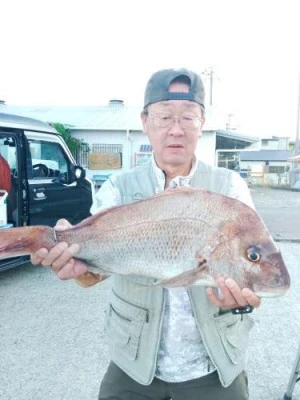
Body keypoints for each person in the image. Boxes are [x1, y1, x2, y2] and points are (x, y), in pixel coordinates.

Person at [31, 68, 261, 400]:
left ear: (202, 122)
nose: (176, 130)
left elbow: (253, 268)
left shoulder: (229, 188)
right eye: (165, 117)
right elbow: (91, 274)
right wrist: (74, 265)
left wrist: (242, 302)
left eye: (188, 118)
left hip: (212, 366)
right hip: (133, 363)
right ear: (145, 121)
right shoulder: (118, 187)